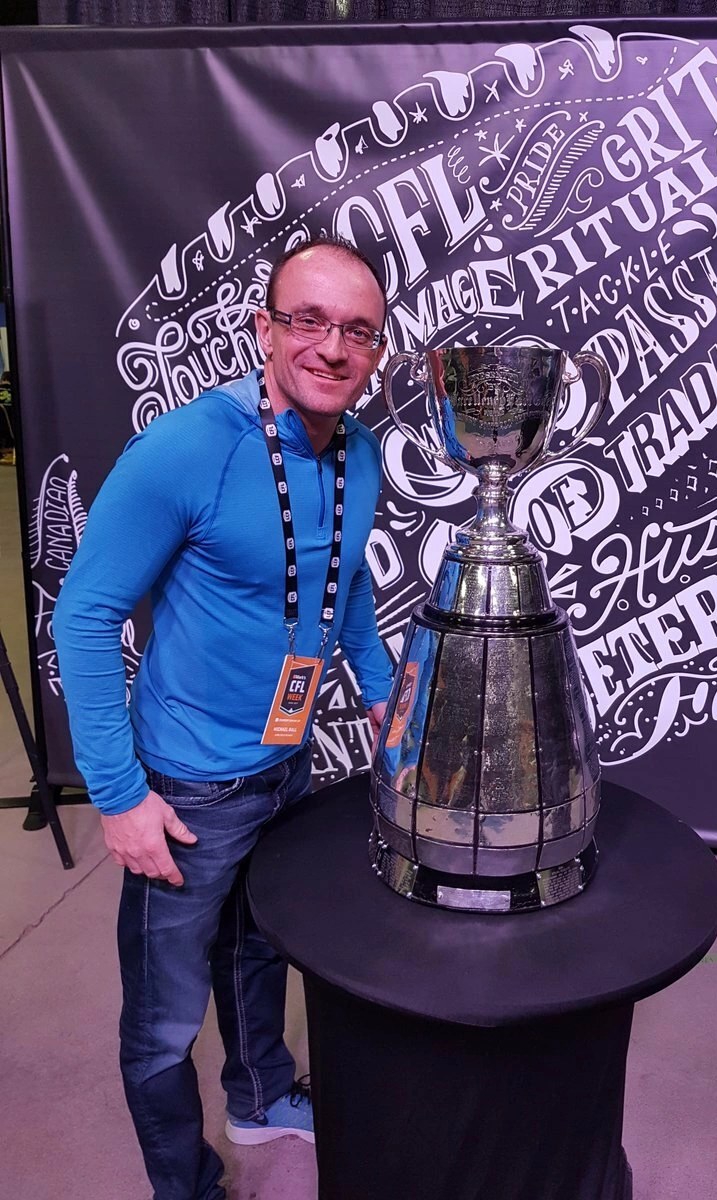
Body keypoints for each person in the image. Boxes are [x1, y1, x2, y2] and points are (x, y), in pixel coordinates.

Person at [54, 236, 394, 1200]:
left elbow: (343, 581)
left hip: (286, 763)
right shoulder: (187, 449)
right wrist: (119, 797)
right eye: (308, 320)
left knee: (259, 947)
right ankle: (186, 1186)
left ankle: (261, 1094)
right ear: (264, 330)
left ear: (376, 351)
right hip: (186, 787)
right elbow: (84, 615)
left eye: (357, 330)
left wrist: (382, 693)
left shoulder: (359, 452)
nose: (332, 347)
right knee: (163, 1021)